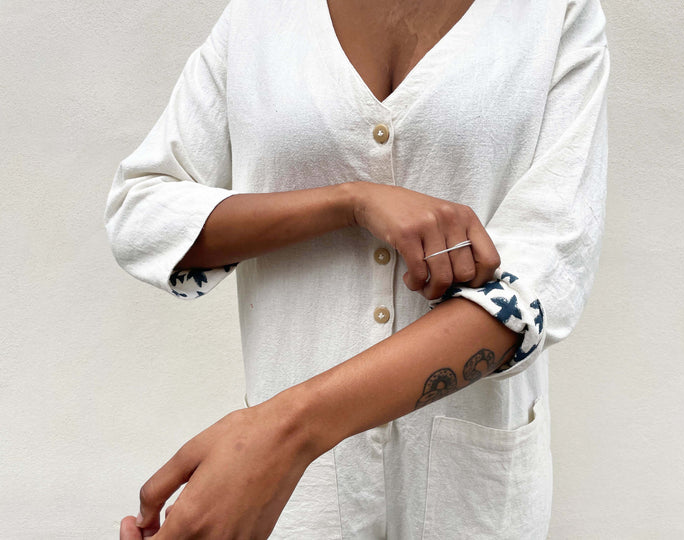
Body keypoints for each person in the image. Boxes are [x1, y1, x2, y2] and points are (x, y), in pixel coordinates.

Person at [105, 0, 609, 537]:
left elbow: (545, 272)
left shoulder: (553, 15)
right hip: (294, 501)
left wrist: (286, 432)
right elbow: (140, 212)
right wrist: (349, 202)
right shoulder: (260, 18)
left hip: (461, 496)